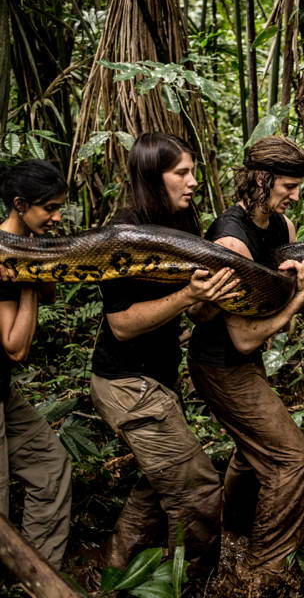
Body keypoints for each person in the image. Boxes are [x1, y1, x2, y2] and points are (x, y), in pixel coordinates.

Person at [90, 133, 239, 572]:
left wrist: (210, 297)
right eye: (181, 173)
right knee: (197, 489)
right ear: (155, 178)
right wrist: (185, 297)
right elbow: (120, 324)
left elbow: (194, 309)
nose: (193, 182)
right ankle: (186, 575)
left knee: (156, 484)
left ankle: (115, 567)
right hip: (125, 382)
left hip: (156, 379)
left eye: (193, 171)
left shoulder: (180, 224)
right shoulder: (122, 235)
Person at [187, 135, 304, 580]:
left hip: (246, 361)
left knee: (252, 452)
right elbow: (244, 337)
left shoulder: (281, 228)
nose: (296, 195)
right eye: (288, 185)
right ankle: (264, 569)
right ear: (261, 180)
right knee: (293, 457)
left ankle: (236, 531)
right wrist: (299, 297)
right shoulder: (231, 239)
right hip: (221, 363)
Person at [0, 159, 72, 567]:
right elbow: (15, 346)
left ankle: (37, 578)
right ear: (19, 204)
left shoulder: (22, 245)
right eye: (49, 208)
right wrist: (27, 276)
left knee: (50, 467)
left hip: (3, 390)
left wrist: (34, 263)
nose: (57, 217)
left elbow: (47, 291)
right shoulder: (4, 253)